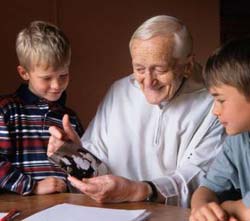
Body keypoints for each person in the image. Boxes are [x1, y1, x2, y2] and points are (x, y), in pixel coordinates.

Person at [48, 15, 224, 207]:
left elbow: (200, 179)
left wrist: (138, 190)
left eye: (160, 69)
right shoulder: (119, 91)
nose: (148, 82)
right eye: (139, 69)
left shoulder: (215, 102)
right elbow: (98, 171)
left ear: (187, 66)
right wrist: (75, 156)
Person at [0, 21, 84, 195]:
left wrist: (76, 155)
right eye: (46, 78)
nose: (56, 85)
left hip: (66, 208)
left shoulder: (70, 118)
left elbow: (83, 173)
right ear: (24, 73)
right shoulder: (6, 110)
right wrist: (33, 186)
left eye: (63, 75)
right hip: (20, 210)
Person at [190, 37, 250, 221]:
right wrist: (202, 208)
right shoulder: (236, 140)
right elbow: (206, 189)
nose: (215, 111)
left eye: (221, 100)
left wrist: (230, 207)